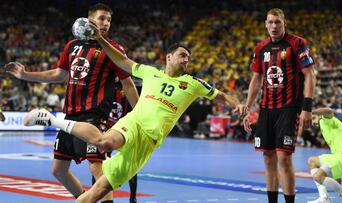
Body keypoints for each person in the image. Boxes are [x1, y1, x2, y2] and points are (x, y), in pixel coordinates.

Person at [23, 19, 244, 202]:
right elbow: (122, 60)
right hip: (134, 122)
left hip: (148, 141)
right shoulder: (149, 72)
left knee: (99, 190)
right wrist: (100, 38)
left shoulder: (194, 83)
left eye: (188, 57)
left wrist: (238, 105)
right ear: (169, 57)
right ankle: (51, 119)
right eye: (182, 55)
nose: (187, 60)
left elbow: (223, 96)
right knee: (105, 141)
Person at [5, 3, 139, 203]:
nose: (106, 23)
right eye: (102, 18)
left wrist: (140, 113)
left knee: (96, 166)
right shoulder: (72, 46)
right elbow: (58, 74)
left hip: (94, 116)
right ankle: (86, 199)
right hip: (70, 116)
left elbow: (128, 84)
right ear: (90, 20)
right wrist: (26, 75)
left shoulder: (113, 49)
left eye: (109, 20)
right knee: (58, 170)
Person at [240, 8, 316, 203]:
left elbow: (309, 75)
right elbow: (256, 79)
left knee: (284, 158)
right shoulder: (260, 48)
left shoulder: (297, 43)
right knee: (268, 159)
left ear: (284, 23)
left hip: (289, 108)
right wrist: (247, 109)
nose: (274, 26)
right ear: (266, 24)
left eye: (278, 23)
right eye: (271, 22)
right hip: (266, 108)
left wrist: (307, 108)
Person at [307, 108, 342, 203]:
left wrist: (310, 111)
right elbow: (336, 158)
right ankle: (324, 197)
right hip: (340, 157)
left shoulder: (326, 120)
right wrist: (337, 181)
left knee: (318, 176)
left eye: (313, 117)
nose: (311, 120)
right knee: (312, 161)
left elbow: (330, 111)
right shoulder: (324, 128)